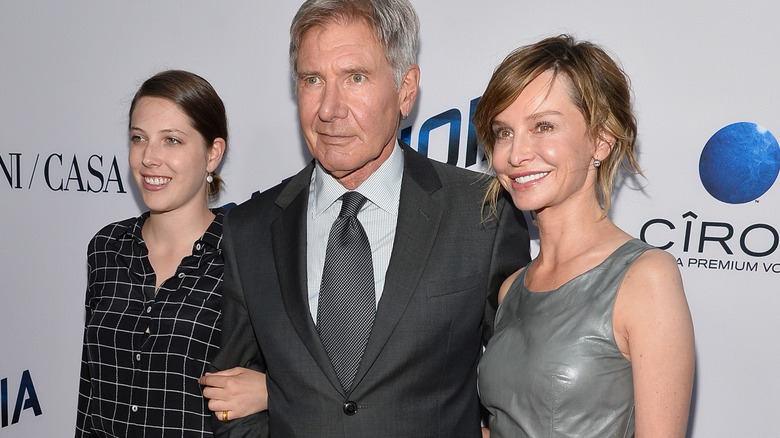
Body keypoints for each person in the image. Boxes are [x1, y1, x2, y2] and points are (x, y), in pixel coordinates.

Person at [204, 0, 531, 436]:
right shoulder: (250, 229)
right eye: (312, 79)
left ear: (406, 89)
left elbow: (523, 386)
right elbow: (231, 398)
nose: (329, 108)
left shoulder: (482, 215)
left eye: (355, 77)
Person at [474, 35, 696, 437]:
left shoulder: (645, 278)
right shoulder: (511, 289)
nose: (515, 153)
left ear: (601, 140)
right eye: (503, 132)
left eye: (543, 126)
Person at [76, 69, 236, 437]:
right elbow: (90, 390)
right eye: (139, 138)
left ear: (213, 154)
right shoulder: (106, 247)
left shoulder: (243, 258)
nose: (149, 157)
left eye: (172, 141)